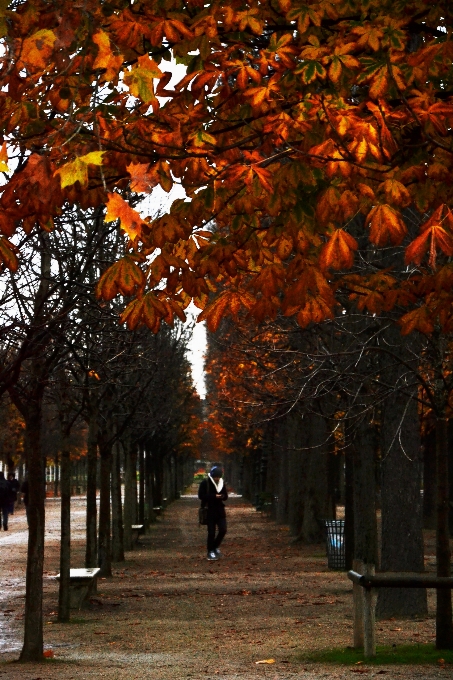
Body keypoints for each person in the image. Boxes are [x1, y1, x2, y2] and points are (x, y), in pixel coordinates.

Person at [198, 466, 228, 561]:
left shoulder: (221, 483)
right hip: (209, 510)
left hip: (219, 510)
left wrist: (222, 496)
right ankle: (210, 550)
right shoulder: (205, 483)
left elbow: (225, 496)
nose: (217, 479)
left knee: (223, 529)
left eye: (218, 477)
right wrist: (214, 496)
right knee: (211, 532)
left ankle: (215, 547)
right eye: (215, 477)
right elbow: (201, 495)